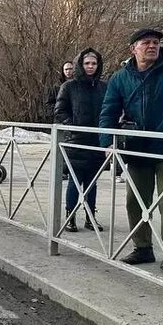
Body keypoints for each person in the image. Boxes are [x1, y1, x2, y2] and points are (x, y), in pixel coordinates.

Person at [98, 28, 163, 272]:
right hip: (137, 147)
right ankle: (142, 247)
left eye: (156, 42)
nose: (152, 46)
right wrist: (108, 142)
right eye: (146, 42)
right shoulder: (120, 78)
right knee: (135, 200)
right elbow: (108, 112)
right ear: (133, 49)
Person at [55, 49, 106, 232]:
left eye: (94, 63)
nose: (91, 67)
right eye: (87, 64)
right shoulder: (69, 87)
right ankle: (70, 216)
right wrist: (73, 126)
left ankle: (90, 217)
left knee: (92, 182)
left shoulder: (103, 87)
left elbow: (109, 110)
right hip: (76, 141)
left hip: (96, 141)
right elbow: (60, 110)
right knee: (75, 181)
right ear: (80, 65)